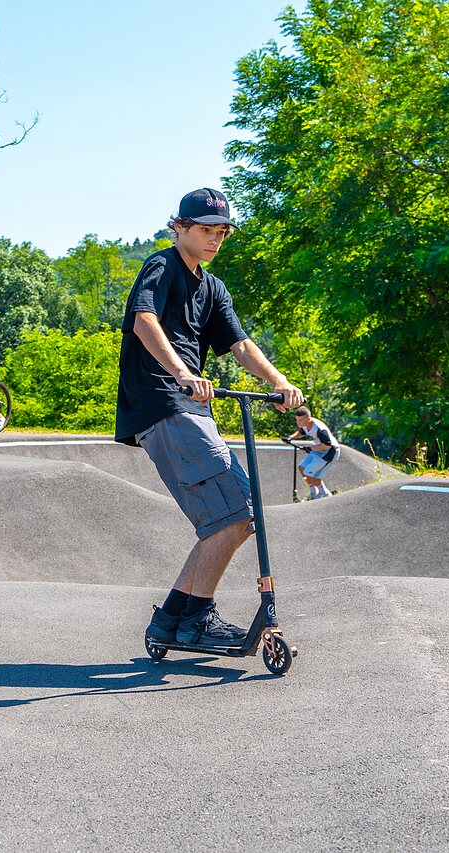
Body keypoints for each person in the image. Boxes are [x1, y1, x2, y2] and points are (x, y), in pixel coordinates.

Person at [115, 187, 304, 648]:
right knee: (234, 513)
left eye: (221, 231)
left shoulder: (213, 287)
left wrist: (279, 382)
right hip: (165, 401)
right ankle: (196, 619)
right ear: (178, 227)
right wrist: (182, 373)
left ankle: (174, 618)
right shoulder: (162, 266)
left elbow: (239, 344)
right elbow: (144, 321)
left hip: (188, 407)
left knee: (234, 515)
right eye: (205, 230)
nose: (214, 238)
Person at [288, 406, 339, 499]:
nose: (298, 423)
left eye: (300, 420)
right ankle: (314, 493)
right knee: (302, 468)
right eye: (297, 420)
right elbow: (301, 432)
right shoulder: (306, 424)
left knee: (310, 473)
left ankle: (326, 494)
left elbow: (327, 445)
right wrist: (290, 438)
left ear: (308, 419)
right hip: (319, 449)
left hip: (330, 451)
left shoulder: (319, 429)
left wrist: (310, 449)